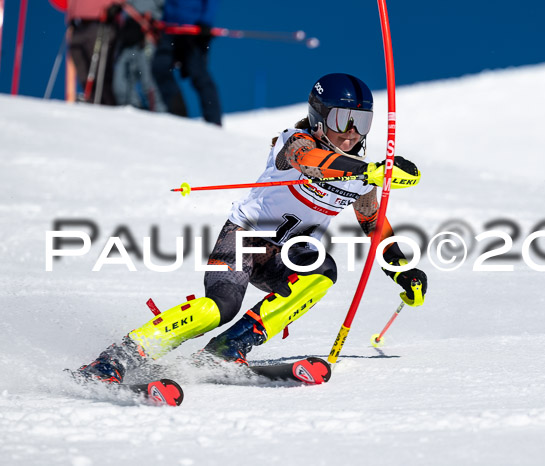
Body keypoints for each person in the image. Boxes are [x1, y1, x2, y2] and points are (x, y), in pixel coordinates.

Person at [76, 73, 428, 383]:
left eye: (361, 123)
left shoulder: (362, 176)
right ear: (319, 118)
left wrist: (403, 271)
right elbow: (310, 163)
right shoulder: (295, 141)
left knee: (323, 270)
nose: (352, 133)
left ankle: (228, 349)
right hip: (243, 238)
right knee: (220, 307)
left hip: (287, 257)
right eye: (342, 119)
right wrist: (372, 171)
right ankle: (117, 359)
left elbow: (373, 224)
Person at [151, 0, 222, 125]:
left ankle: (214, 121)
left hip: (192, 30)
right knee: (160, 67)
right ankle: (177, 113)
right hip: (170, 29)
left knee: (197, 73)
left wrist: (205, 22)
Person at [111, 0, 167, 112]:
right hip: (128, 36)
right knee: (121, 80)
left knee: (148, 80)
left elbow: (165, 7)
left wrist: (154, 21)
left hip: (146, 35)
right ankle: (131, 109)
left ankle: (159, 113)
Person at [66, 0, 121, 105]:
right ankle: (93, 103)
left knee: (101, 75)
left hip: (101, 20)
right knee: (84, 73)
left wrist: (117, 5)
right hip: (78, 22)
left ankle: (109, 109)